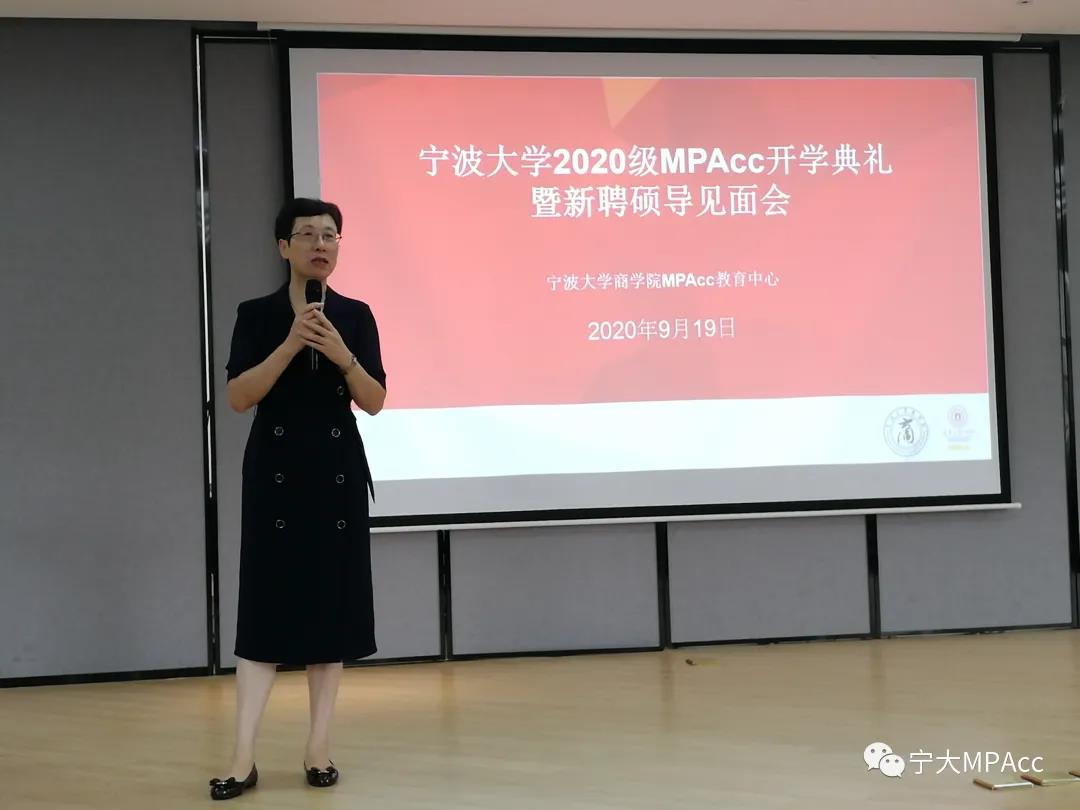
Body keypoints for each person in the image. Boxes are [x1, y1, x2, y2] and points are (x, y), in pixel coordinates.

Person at [208, 198, 387, 800]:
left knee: (330, 614)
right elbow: (239, 397)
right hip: (275, 476)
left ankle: (319, 748)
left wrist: (341, 354)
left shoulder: (356, 315)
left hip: (336, 476)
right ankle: (242, 758)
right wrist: (290, 344)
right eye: (307, 234)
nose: (320, 244)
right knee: (264, 610)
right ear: (283, 247)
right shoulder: (256, 314)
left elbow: (375, 400)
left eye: (330, 235)